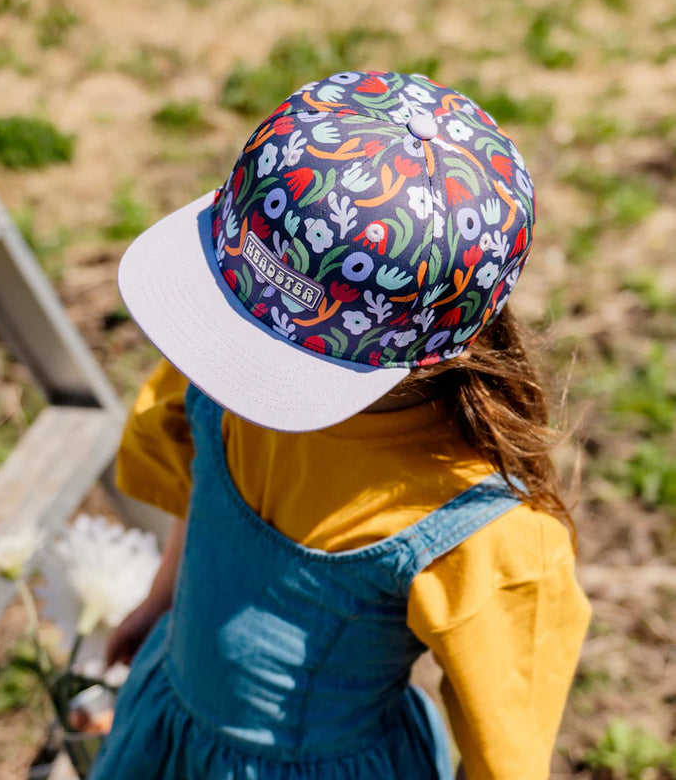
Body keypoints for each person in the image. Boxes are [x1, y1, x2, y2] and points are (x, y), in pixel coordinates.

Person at [90, 70, 591, 780]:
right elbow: (196, 472)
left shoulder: (483, 531)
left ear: (426, 360)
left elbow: (505, 750)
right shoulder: (224, 368)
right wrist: (164, 598)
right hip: (169, 728)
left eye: (277, 356)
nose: (235, 372)